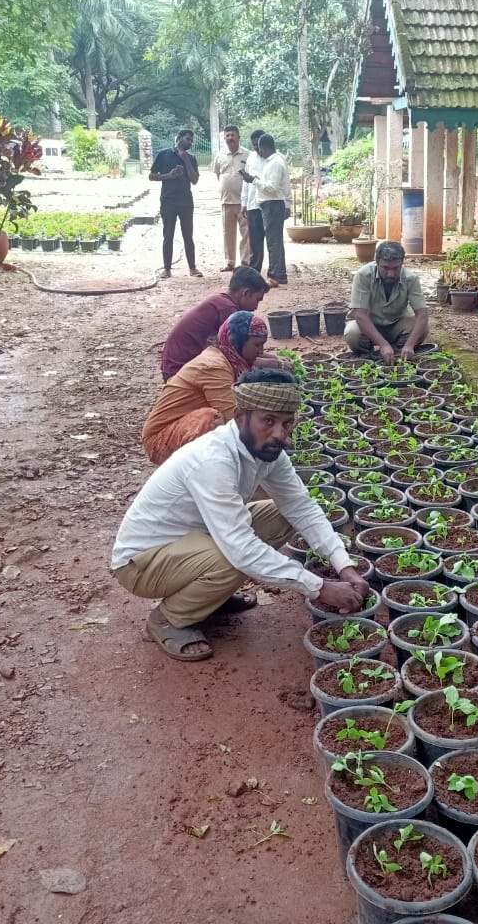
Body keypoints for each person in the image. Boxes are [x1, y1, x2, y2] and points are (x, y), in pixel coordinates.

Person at [113, 369, 369, 661]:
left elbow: (301, 506)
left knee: (281, 514)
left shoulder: (268, 451)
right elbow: (240, 548)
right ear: (239, 416)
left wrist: (343, 566)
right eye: (268, 421)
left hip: (194, 541)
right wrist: (319, 587)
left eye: (287, 423)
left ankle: (210, 598)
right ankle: (168, 620)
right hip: (141, 563)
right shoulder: (213, 460)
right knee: (235, 557)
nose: (279, 434)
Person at [142, 310, 266, 465]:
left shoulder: (228, 359)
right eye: (257, 345)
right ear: (239, 341)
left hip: (180, 428)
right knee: (211, 419)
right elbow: (232, 417)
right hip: (159, 440)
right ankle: (203, 473)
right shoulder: (214, 366)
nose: (261, 351)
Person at [159, 266, 270, 379]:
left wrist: (273, 359)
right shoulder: (228, 310)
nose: (256, 307)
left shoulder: (222, 302)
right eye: (257, 300)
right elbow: (241, 356)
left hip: (175, 367)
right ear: (245, 293)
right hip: (178, 371)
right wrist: (277, 363)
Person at [344, 240, 430, 363]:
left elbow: (422, 314)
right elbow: (360, 315)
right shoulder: (363, 275)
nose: (391, 273)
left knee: (422, 330)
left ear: (402, 263)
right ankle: (371, 354)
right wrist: (383, 344)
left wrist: (410, 345)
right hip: (368, 322)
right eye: (385, 268)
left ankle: (397, 350)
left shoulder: (411, 278)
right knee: (353, 335)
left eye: (396, 268)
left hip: (396, 323)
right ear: (377, 262)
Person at [150, 127, 201, 279]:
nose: (190, 143)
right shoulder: (163, 155)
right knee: (168, 235)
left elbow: (195, 180)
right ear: (179, 138)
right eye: (187, 139)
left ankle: (192, 268)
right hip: (168, 201)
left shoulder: (191, 158)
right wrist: (169, 175)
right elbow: (152, 176)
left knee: (188, 236)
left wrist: (186, 160)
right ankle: (166, 269)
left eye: (191, 140)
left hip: (186, 201)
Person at [239, 133, 289, 287]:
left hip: (272, 203)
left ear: (264, 147)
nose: (258, 151)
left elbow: (273, 188)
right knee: (265, 240)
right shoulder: (269, 160)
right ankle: (275, 274)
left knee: (273, 241)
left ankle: (274, 275)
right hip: (263, 203)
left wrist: (253, 180)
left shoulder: (275, 162)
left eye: (259, 147)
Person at [212, 125, 250, 272]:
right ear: (224, 138)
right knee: (227, 232)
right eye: (227, 136)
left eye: (233, 135)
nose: (230, 138)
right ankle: (229, 262)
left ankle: (246, 262)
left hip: (243, 202)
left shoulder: (248, 155)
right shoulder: (220, 155)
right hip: (226, 200)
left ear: (239, 137)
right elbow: (218, 174)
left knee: (246, 232)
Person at [240, 129, 266, 273]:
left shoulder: (275, 158)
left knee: (273, 240)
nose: (257, 148)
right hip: (252, 204)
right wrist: (244, 202)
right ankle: (255, 269)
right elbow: (245, 182)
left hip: (269, 204)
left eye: (259, 145)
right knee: (255, 240)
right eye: (254, 145)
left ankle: (277, 271)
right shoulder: (251, 158)